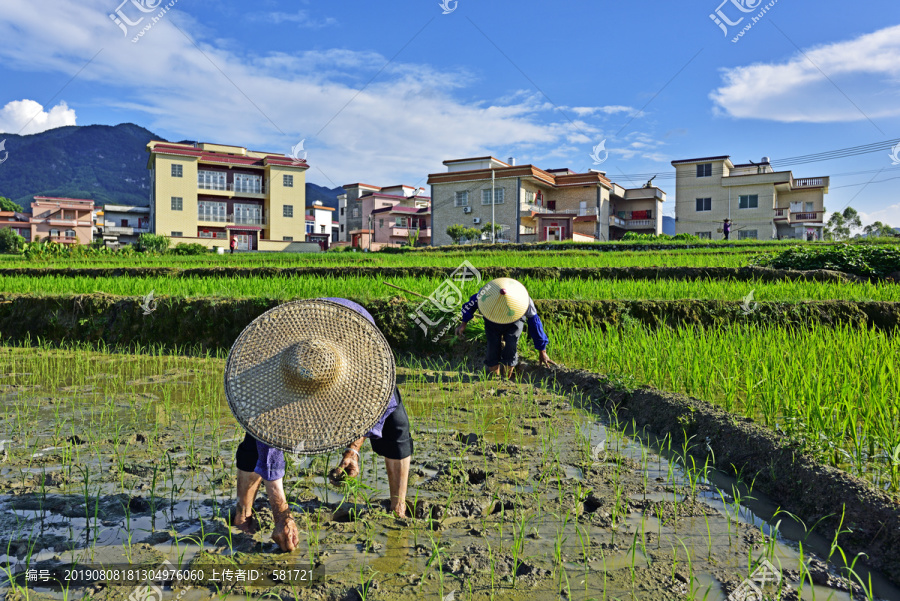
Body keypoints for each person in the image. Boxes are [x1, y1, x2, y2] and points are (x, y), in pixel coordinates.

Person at [232, 298, 414, 552]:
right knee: (255, 441)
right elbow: (271, 459)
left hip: (349, 341)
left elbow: (371, 411)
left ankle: (398, 508)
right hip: (288, 346)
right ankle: (243, 515)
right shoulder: (273, 393)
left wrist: (353, 450)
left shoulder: (368, 369)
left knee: (397, 427)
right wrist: (281, 515)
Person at [455, 278, 555, 379]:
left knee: (511, 344)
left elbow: (535, 324)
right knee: (492, 346)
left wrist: (542, 351)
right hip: (492, 319)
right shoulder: (484, 294)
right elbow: (469, 307)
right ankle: (494, 378)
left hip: (514, 320)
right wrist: (463, 324)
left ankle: (506, 379)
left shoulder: (524, 300)